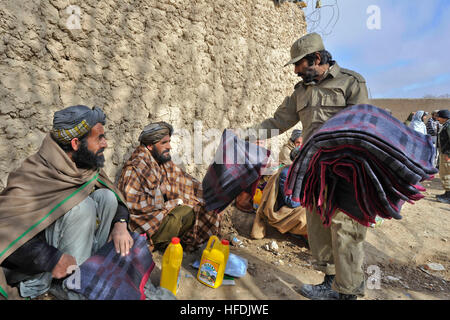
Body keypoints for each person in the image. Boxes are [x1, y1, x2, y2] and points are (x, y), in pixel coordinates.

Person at [244, 32, 369, 300]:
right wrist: (244, 134)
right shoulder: (300, 93)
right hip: (315, 168)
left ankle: (348, 292)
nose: (296, 73)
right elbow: (277, 122)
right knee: (318, 223)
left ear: (315, 58)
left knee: (346, 227)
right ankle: (330, 281)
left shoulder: (352, 83)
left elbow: (363, 127)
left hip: (347, 168)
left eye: (299, 66)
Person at [0, 105, 133, 300]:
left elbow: (113, 193)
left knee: (107, 197)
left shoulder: (85, 168)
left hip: (74, 255)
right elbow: (5, 230)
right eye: (99, 138)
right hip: (40, 265)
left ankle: (88, 271)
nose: (105, 144)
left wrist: (120, 224)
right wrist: (51, 258)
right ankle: (70, 288)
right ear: (75, 144)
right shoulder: (35, 174)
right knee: (82, 206)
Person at [117, 122, 222, 252]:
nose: (169, 146)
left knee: (198, 205)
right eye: (164, 143)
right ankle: (162, 244)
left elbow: (184, 180)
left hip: (161, 215)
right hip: (146, 226)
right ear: (150, 145)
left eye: (169, 142)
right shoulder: (136, 168)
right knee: (185, 212)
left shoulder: (160, 161)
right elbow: (131, 204)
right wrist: (161, 196)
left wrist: (210, 195)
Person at [435, 109, 450, 204]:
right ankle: (447, 193)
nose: (437, 119)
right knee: (444, 174)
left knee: (447, 175)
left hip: (447, 155)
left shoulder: (448, 126)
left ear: (444, 117)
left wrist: (448, 154)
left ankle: (448, 197)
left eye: (438, 117)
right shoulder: (446, 125)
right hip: (444, 153)